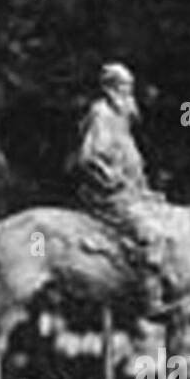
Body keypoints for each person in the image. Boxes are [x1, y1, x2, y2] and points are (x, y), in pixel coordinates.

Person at [73, 62, 172, 312]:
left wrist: (141, 188)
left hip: (129, 191)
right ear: (109, 88)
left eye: (130, 87)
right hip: (107, 194)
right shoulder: (101, 114)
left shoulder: (122, 117)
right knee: (150, 234)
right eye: (123, 87)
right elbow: (89, 157)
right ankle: (148, 299)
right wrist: (114, 179)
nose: (129, 92)